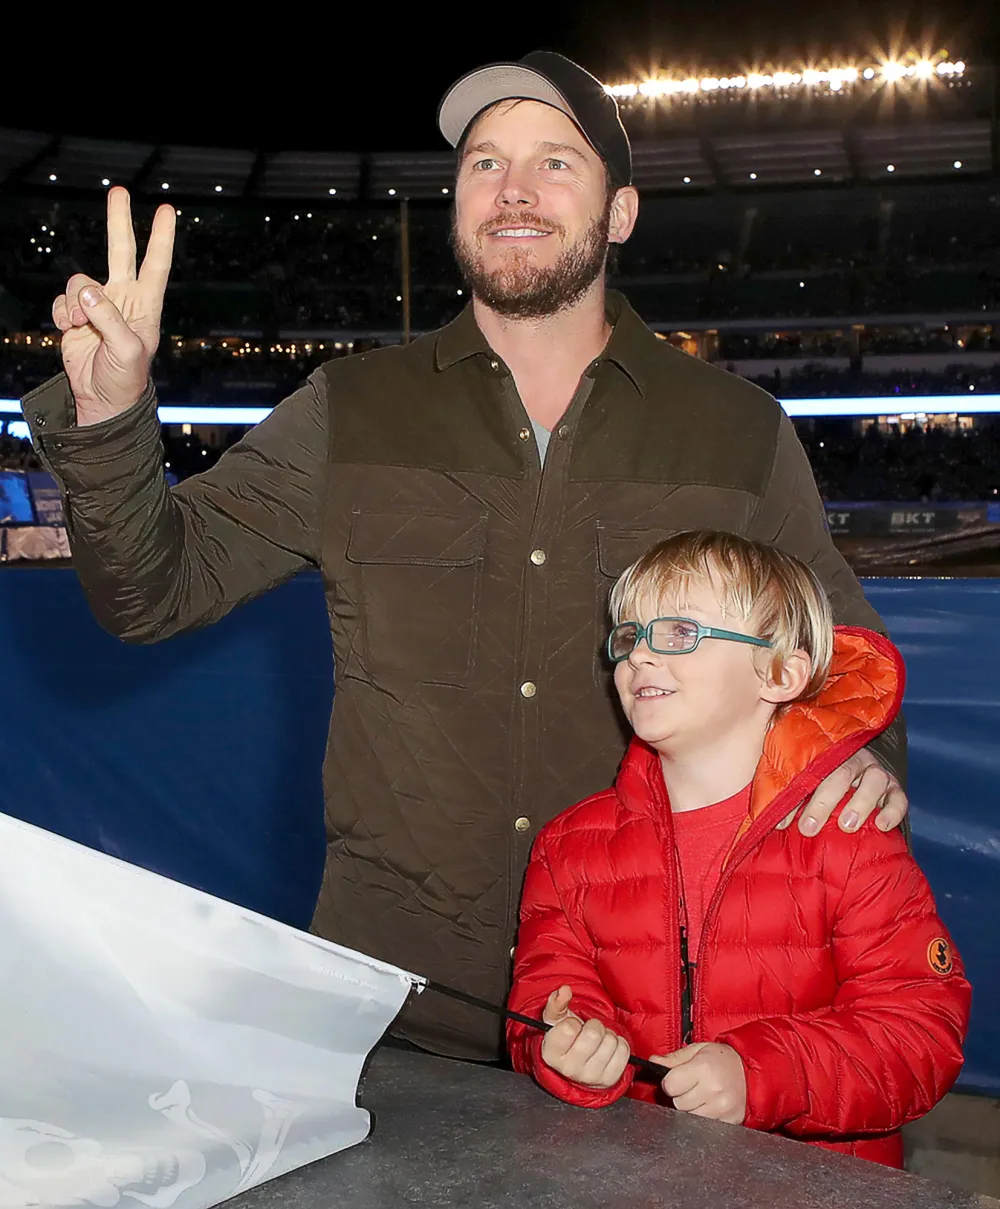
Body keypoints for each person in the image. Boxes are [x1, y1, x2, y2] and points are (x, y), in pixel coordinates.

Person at [22, 51, 909, 1061]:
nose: (514, 192)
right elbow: (152, 590)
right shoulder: (348, 409)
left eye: (554, 165)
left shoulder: (736, 430)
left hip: (643, 1015)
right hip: (388, 1003)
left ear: (620, 212)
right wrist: (109, 414)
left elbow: (839, 649)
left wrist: (864, 761)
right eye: (484, 164)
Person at [507, 531, 969, 1168]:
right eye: (629, 636)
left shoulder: (849, 840)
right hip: (630, 1174)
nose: (639, 655)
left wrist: (763, 1073)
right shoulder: (567, 849)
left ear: (780, 672)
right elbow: (545, 996)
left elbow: (919, 1033)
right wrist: (565, 1048)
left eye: (678, 633)